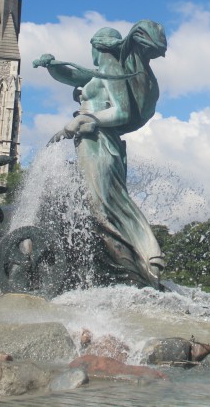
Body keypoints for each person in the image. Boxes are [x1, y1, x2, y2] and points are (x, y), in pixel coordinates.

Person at [34, 20, 168, 288]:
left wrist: (87, 120)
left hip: (100, 144)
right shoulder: (103, 73)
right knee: (100, 204)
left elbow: (122, 112)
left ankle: (146, 256)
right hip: (90, 143)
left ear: (98, 47)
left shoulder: (112, 71)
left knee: (106, 204)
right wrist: (51, 67)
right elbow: (73, 76)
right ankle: (123, 264)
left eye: (92, 48)